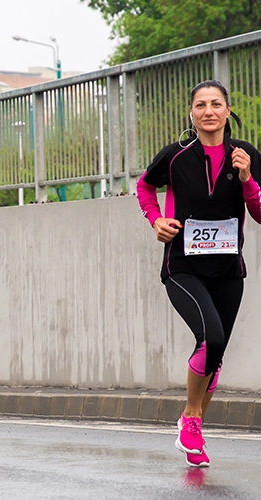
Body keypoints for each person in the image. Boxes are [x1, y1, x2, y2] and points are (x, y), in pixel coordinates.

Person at [136, 80, 261, 468]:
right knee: (211, 338)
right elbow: (144, 186)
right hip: (182, 266)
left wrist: (247, 180)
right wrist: (156, 220)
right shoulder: (175, 155)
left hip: (227, 268)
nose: (209, 111)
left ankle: (192, 427)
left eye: (216, 104)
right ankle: (191, 418)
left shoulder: (247, 154)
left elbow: (260, 212)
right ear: (191, 113)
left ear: (227, 111)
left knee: (217, 354)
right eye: (201, 105)